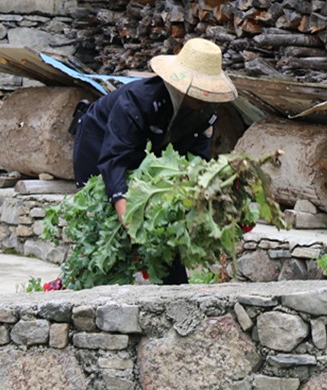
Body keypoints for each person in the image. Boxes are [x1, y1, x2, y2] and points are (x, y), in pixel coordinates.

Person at [71, 38, 238, 284]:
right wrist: (127, 214)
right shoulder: (137, 100)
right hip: (98, 148)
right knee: (107, 233)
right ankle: (87, 287)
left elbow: (196, 159)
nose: (205, 96)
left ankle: (174, 290)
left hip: (148, 160)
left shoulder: (203, 111)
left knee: (163, 232)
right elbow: (114, 159)